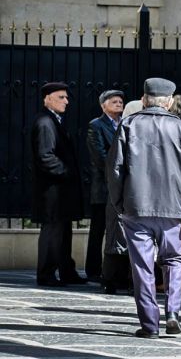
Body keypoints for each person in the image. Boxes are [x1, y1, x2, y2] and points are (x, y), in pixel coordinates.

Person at [106, 78, 181, 339]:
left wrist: (119, 204)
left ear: (144, 99)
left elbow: (114, 169)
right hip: (173, 209)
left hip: (136, 207)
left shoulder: (128, 124)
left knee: (142, 267)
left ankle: (149, 325)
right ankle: (172, 312)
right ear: (169, 101)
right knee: (175, 260)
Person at [31, 82, 87, 287]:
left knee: (63, 232)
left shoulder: (54, 120)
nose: (66, 101)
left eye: (66, 97)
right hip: (53, 191)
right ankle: (46, 274)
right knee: (52, 233)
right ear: (47, 99)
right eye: (61, 97)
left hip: (61, 191)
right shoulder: (45, 122)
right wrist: (66, 172)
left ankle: (66, 271)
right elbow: (45, 156)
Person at [85, 89, 129, 293]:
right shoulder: (96, 126)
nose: (119, 104)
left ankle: (117, 273)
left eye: (121, 101)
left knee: (118, 232)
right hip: (103, 187)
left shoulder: (126, 124)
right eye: (114, 101)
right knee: (99, 230)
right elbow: (100, 157)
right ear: (103, 105)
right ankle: (94, 270)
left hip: (121, 188)